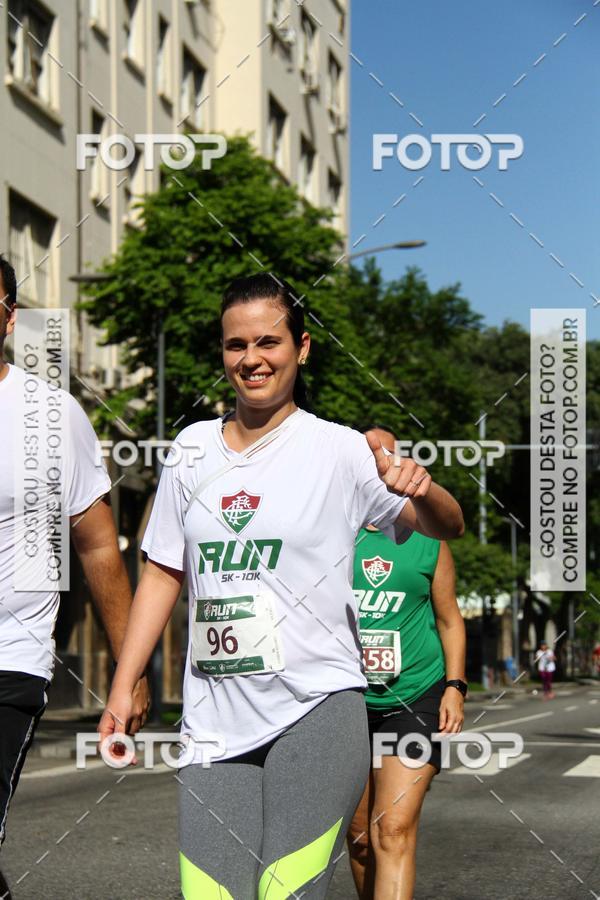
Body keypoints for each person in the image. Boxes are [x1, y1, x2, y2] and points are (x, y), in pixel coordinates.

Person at [99, 273, 464, 900]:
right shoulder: (189, 450)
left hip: (317, 704)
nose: (251, 359)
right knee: (212, 893)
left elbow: (443, 524)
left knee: (284, 891)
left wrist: (423, 488)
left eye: (268, 342)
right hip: (214, 715)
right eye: (235, 345)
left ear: (302, 348)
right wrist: (120, 685)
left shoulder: (339, 451)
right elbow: (162, 572)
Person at [0, 255, 149, 897]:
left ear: (8, 316)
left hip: (10, 657)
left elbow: (96, 547)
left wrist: (127, 670)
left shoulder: (49, 415)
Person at [346, 426, 466, 900]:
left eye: (388, 456)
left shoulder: (428, 538)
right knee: (358, 840)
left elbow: (450, 619)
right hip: (345, 698)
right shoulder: (332, 529)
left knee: (391, 829)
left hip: (414, 695)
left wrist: (455, 685)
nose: (379, 465)